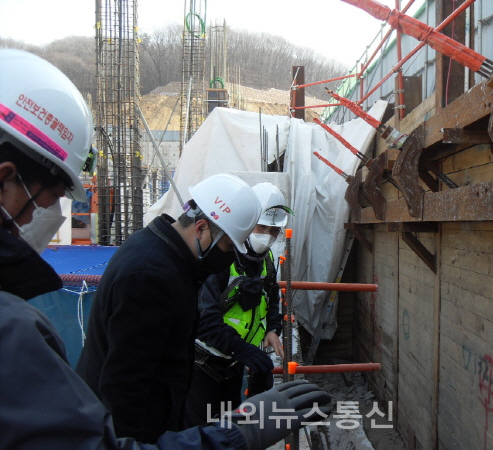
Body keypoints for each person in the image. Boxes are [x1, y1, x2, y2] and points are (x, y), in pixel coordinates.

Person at [0, 48, 332, 450]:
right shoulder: (150, 275)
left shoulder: (167, 262)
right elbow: (123, 401)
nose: (232, 254)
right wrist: (238, 434)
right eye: (52, 197)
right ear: (204, 227)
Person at [76, 172, 265, 443]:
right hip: (128, 434)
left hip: (152, 423)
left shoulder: (165, 256)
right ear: (201, 228)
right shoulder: (150, 275)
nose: (227, 257)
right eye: (226, 246)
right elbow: (124, 386)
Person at [184, 182, 293, 427]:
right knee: (203, 432)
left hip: (234, 365)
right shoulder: (221, 257)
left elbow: (272, 297)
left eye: (274, 230)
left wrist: (272, 329)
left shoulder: (267, 260)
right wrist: (245, 350)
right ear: (246, 222)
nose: (268, 235)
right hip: (204, 364)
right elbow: (204, 318)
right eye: (262, 226)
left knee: (229, 427)